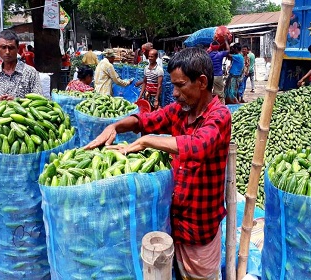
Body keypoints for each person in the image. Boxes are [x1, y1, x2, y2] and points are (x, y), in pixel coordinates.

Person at [85, 47, 231, 279]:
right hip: (173, 223)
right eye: (172, 85)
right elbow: (145, 120)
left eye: (180, 85)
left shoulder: (219, 116)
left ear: (202, 82)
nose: (173, 93)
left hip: (199, 227)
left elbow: (198, 145)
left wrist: (146, 142)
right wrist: (114, 126)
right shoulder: (179, 111)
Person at [0, 30, 43, 103]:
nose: (7, 52)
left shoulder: (30, 73)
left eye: (11, 48)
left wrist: (18, 102)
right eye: (3, 47)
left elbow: (39, 100)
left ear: (18, 48)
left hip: (23, 114)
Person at [208, 39, 230, 104]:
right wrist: (226, 41)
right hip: (218, 76)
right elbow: (228, 50)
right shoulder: (220, 54)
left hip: (210, 76)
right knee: (220, 92)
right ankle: (222, 105)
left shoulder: (208, 54)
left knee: (211, 92)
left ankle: (213, 104)